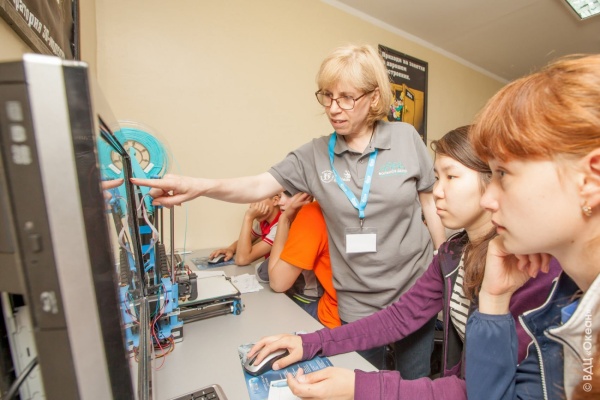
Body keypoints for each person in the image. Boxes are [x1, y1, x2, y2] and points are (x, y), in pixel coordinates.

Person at [133, 44, 447, 376]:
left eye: (346, 98)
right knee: (363, 385)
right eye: (327, 96)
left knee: (415, 384)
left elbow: (429, 202)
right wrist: (200, 186)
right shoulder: (314, 155)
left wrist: (444, 261)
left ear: (373, 97)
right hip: (358, 303)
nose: (333, 108)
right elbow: (258, 185)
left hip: (415, 290)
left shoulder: (405, 138)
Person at [242, 126, 561, 399]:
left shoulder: (532, 268)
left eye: (451, 176)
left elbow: (484, 391)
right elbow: (398, 317)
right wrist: (310, 343)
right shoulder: (453, 253)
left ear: (493, 182)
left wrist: (359, 387)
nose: (437, 192)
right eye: (436, 177)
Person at [464, 54, 600, 400]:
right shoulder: (564, 303)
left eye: (503, 173)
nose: (487, 200)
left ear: (591, 179)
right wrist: (494, 298)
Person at [268, 191, 340, 329]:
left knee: (273, 317)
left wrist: (284, 219)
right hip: (377, 316)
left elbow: (278, 283)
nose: (279, 202)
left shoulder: (313, 213)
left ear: (307, 195)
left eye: (288, 194)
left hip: (335, 317)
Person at [209, 194, 281, 266]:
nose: (251, 206)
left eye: (257, 200)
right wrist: (231, 249)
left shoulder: (279, 226)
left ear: (275, 200)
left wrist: (248, 217)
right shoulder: (265, 222)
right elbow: (246, 238)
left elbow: (242, 260)